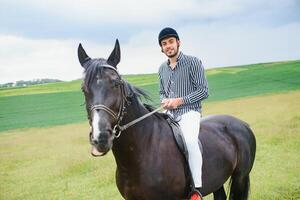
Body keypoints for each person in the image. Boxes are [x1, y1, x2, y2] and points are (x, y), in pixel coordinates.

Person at [158, 27, 209, 200]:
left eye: (171, 42)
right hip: (169, 113)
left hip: (190, 112)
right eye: (164, 44)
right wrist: (165, 101)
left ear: (178, 42)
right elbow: (162, 92)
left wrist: (179, 101)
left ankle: (196, 189)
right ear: (161, 48)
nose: (168, 46)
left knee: (190, 141)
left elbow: (204, 91)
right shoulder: (161, 69)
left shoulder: (193, 62)